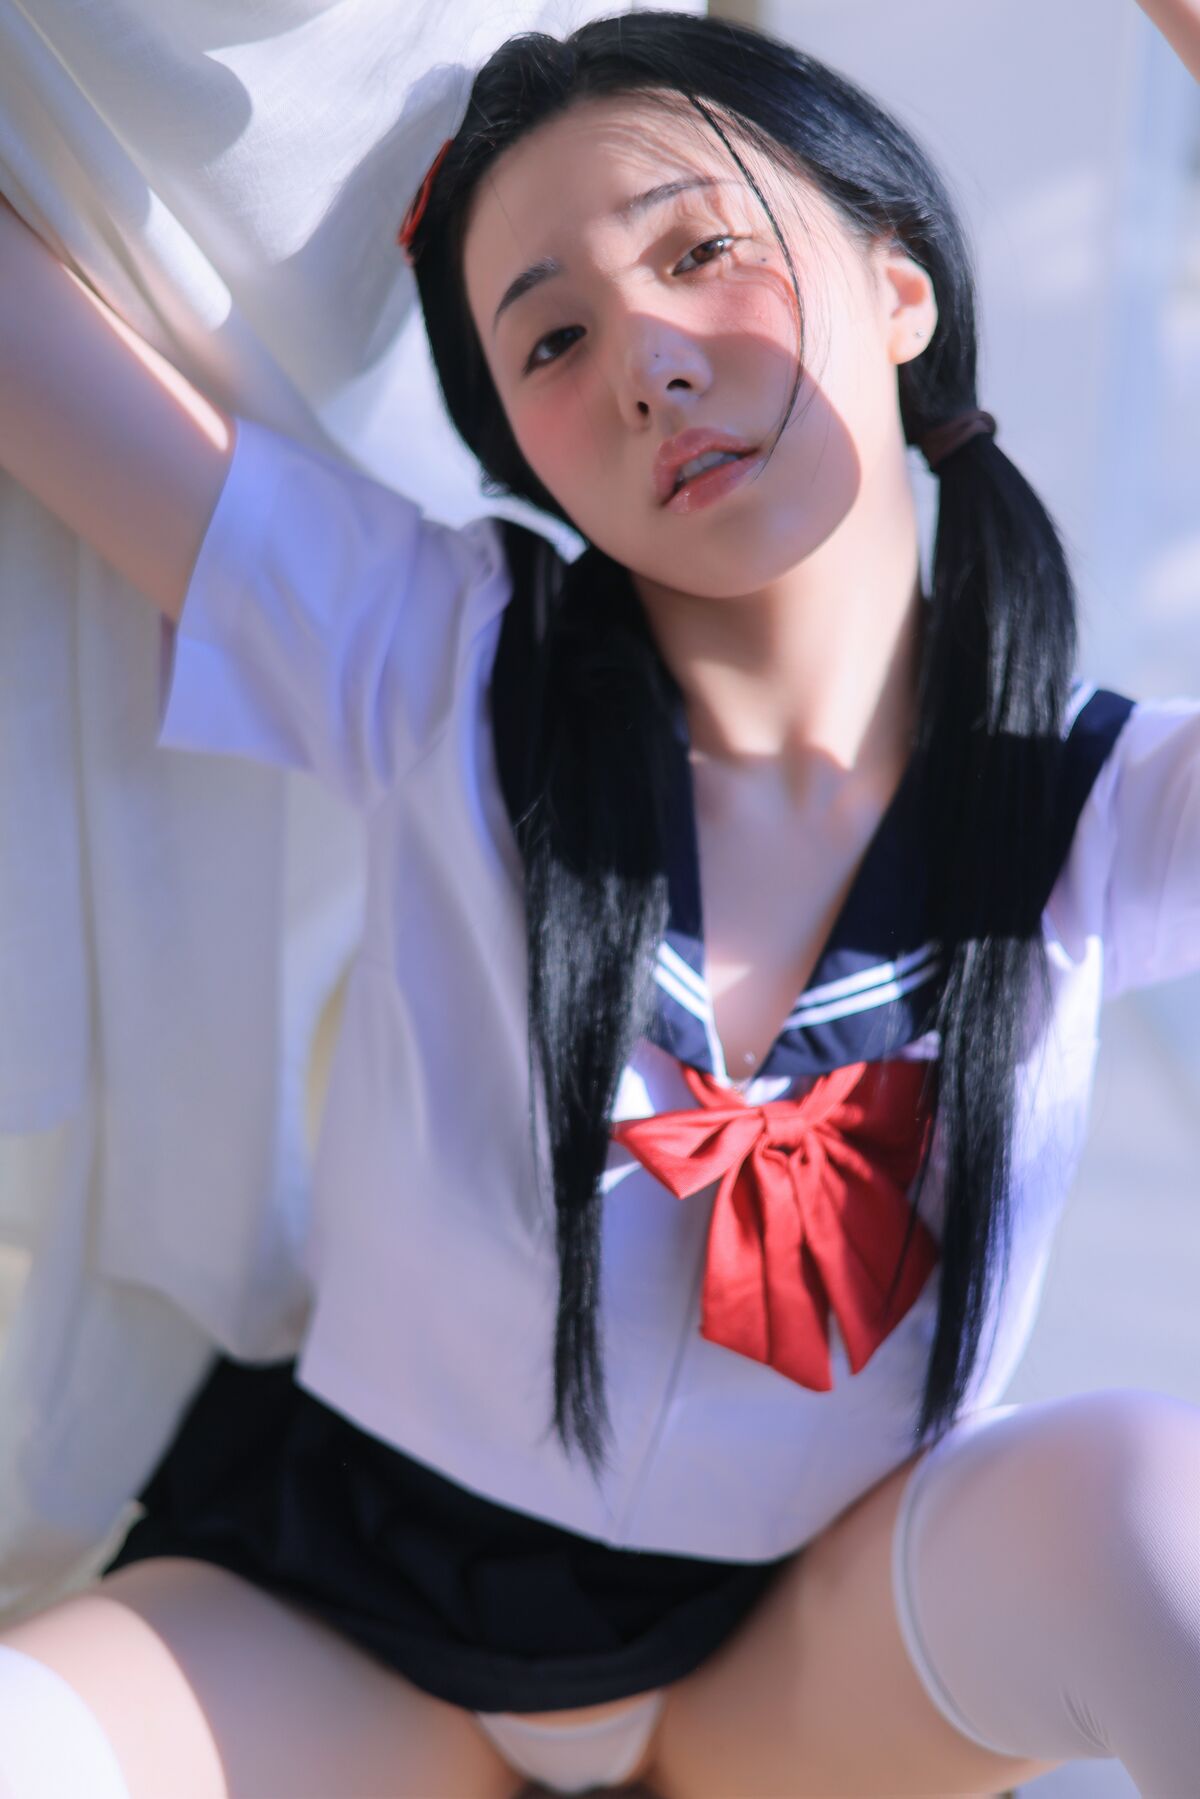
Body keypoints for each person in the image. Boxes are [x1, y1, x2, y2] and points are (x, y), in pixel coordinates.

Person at [0, 8, 1197, 1796]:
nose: (645, 361)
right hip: (354, 1625)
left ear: (900, 289)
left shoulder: (1097, 809)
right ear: (524, 454)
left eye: (701, 251)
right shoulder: (440, 664)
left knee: (1157, 1513)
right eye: (552, 338)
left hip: (812, 1654)